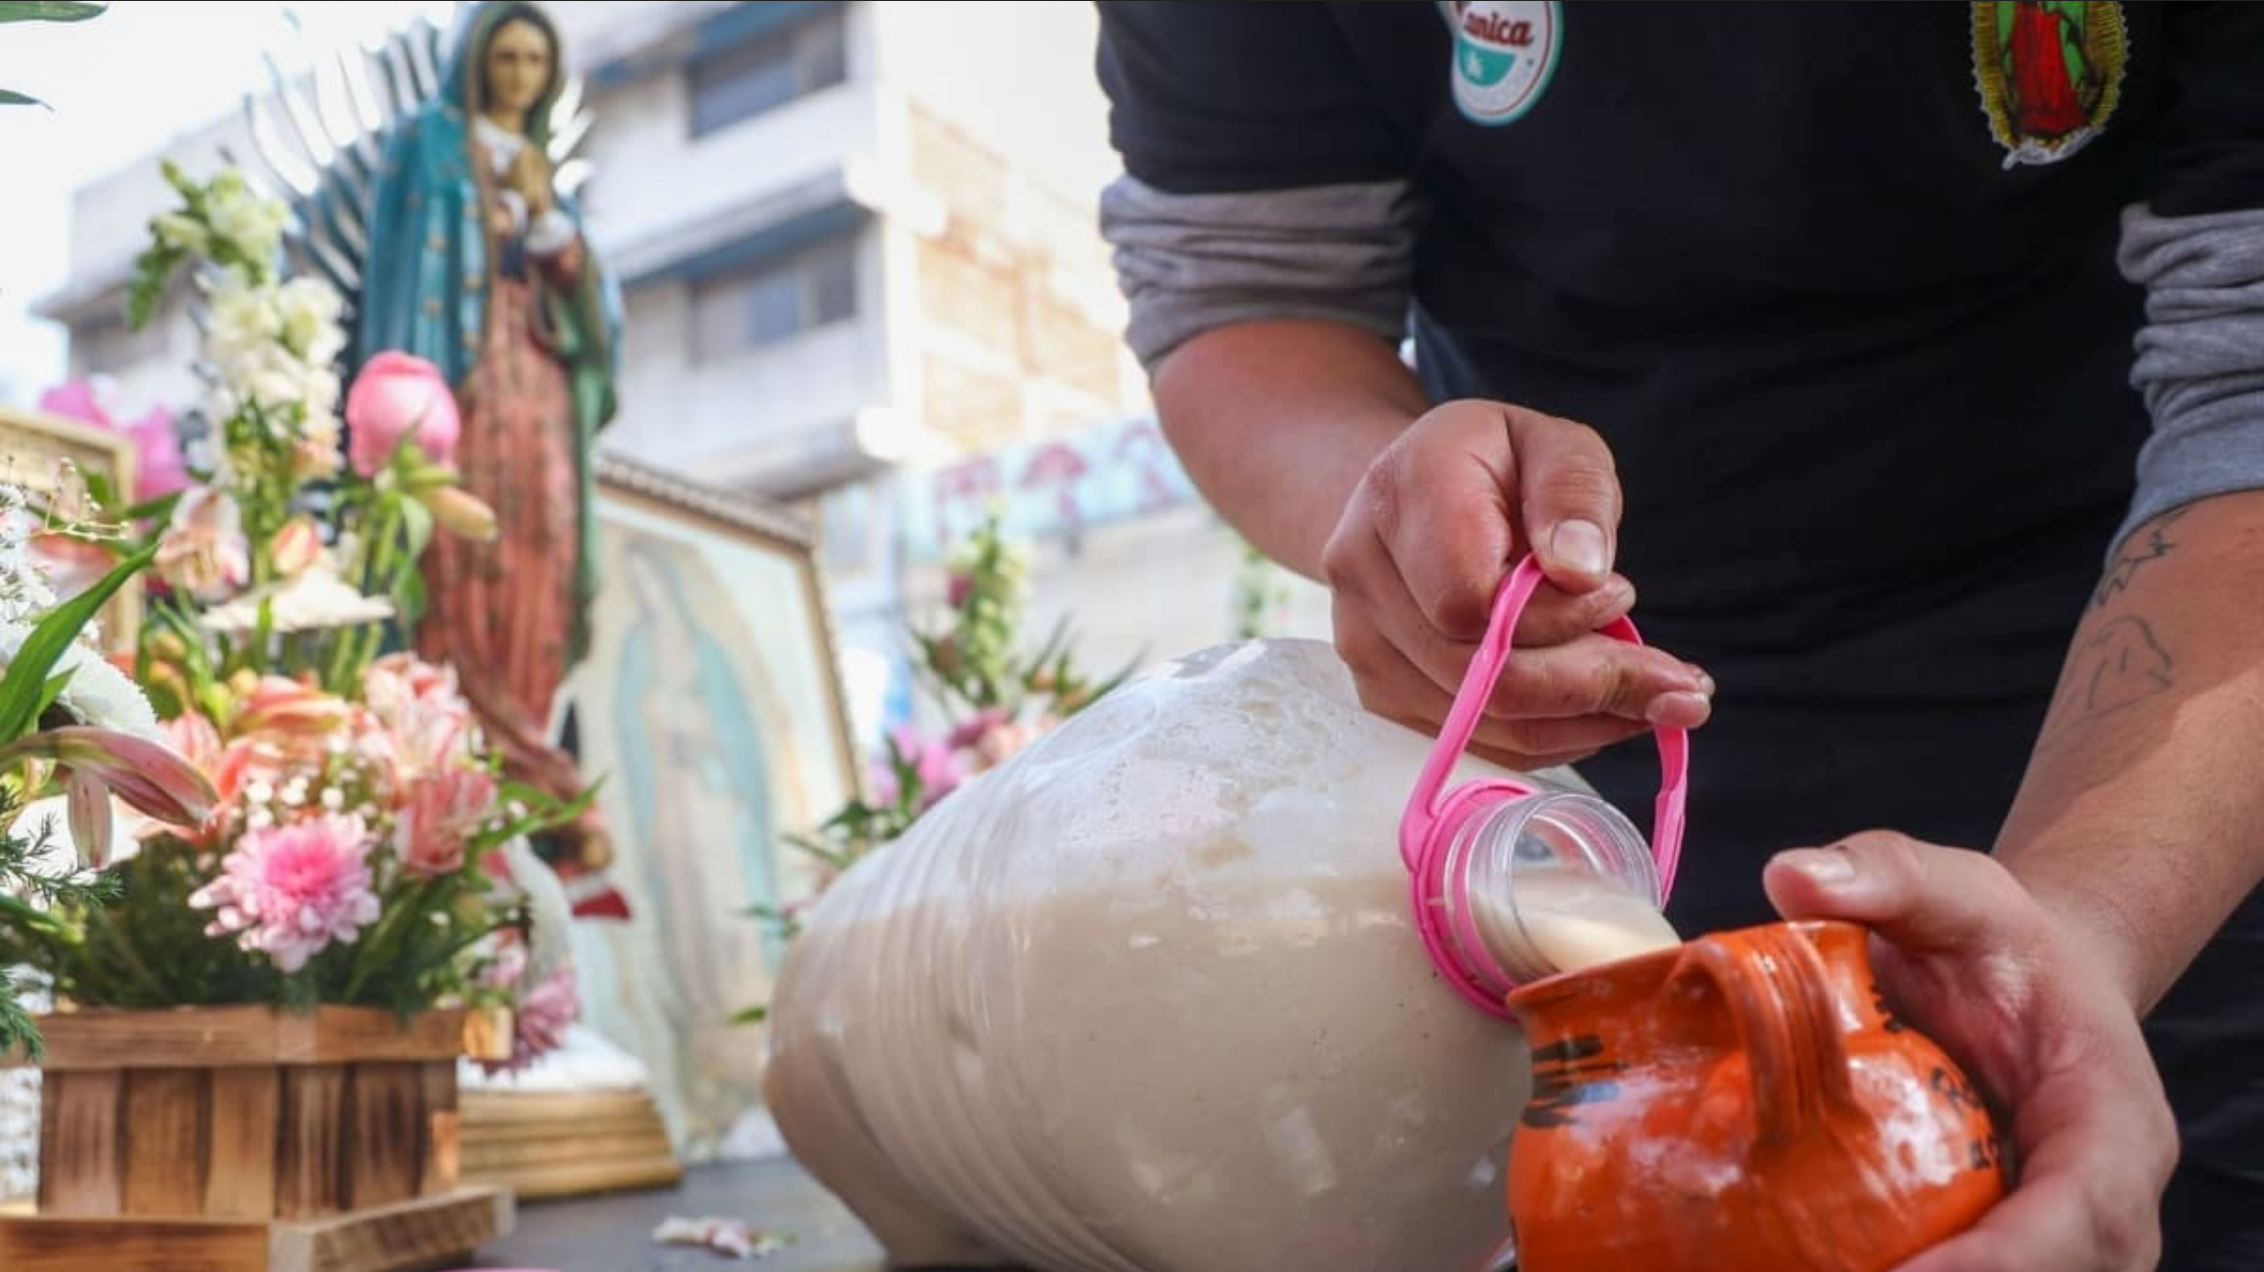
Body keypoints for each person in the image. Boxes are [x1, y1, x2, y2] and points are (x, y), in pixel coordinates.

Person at [1094, 3, 2262, 1268]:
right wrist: (1405, 510)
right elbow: (1249, 283)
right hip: (1586, 738)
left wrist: (2085, 931)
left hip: (2163, 702)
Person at [356, 0, 625, 905]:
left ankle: (526, 749)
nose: (517, 73)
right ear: (478, 58)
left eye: (533, 61)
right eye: (504, 55)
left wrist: (550, 219)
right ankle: (458, 755)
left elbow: (597, 321)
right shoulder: (426, 146)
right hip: (459, 395)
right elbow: (396, 276)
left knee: (542, 554)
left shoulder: (548, 176)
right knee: (459, 551)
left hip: (541, 399)